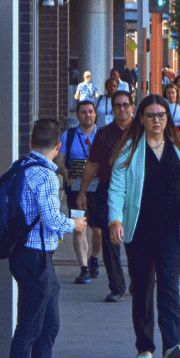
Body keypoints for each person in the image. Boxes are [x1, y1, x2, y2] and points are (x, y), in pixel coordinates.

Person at [108, 94, 180, 358]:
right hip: (140, 231)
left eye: (161, 115)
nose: (157, 120)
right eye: (151, 116)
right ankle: (145, 344)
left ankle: (171, 344)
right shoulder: (130, 148)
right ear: (142, 118)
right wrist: (115, 220)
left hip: (174, 230)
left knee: (169, 284)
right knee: (143, 287)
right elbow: (116, 188)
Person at [5, 119, 86, 358]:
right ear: (58, 146)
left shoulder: (20, 168)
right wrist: (74, 224)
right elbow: (52, 220)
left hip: (29, 256)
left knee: (49, 324)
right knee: (30, 327)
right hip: (35, 257)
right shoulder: (46, 176)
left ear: (30, 143)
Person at [78, 90, 134, 303]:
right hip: (109, 192)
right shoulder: (104, 134)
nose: (122, 109)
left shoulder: (141, 131)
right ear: (112, 109)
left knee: (136, 241)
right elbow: (92, 165)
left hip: (136, 193)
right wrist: (82, 192)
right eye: (118, 105)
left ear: (132, 106)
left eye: (125, 105)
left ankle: (137, 282)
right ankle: (117, 287)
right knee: (112, 242)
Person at [54, 100, 101, 284]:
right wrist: (65, 173)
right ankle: (84, 268)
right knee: (79, 227)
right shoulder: (68, 136)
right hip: (75, 190)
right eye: (83, 112)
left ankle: (94, 259)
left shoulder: (102, 135)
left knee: (98, 230)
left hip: (98, 189)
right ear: (78, 115)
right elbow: (59, 160)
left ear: (95, 114)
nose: (87, 115)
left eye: (90, 111)